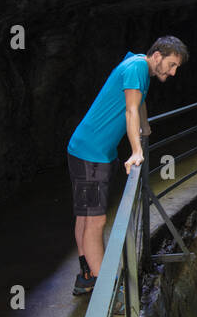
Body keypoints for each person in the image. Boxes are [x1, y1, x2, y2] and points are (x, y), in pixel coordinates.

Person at [67, 36, 189, 296]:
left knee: (84, 216)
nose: (173, 71)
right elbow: (130, 110)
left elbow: (138, 100)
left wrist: (144, 126)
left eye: (176, 67)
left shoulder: (136, 64)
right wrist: (136, 151)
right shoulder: (136, 68)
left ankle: (85, 276)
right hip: (92, 155)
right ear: (157, 55)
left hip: (84, 148)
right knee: (95, 222)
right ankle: (107, 290)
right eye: (171, 64)